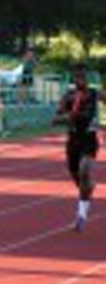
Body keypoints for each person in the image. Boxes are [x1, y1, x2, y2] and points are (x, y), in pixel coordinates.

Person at [53, 63, 106, 232]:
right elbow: (56, 117)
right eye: (77, 77)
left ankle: (81, 216)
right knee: (79, 179)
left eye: (82, 77)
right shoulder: (68, 96)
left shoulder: (94, 93)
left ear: (87, 78)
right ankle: (87, 191)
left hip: (89, 139)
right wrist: (68, 116)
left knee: (85, 170)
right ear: (73, 78)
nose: (79, 80)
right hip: (73, 141)